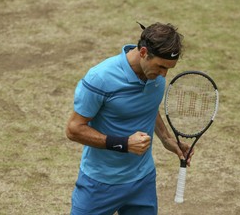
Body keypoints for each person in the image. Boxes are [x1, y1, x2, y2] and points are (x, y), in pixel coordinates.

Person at [66, 22, 194, 215]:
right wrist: (124, 144)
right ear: (143, 52)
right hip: (100, 183)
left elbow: (149, 106)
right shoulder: (100, 78)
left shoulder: (155, 76)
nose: (164, 74)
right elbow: (73, 129)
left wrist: (167, 139)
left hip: (143, 180)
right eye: (160, 66)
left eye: (169, 68)